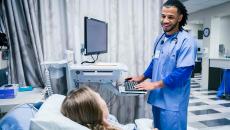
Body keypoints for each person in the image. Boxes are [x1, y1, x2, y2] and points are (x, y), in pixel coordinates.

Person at [127, 0, 197, 130]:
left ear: (180, 18)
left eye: (170, 17)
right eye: (163, 16)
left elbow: (183, 73)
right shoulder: (160, 39)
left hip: (173, 103)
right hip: (158, 98)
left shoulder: (187, 41)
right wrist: (141, 77)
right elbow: (155, 62)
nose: (165, 20)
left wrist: (153, 84)